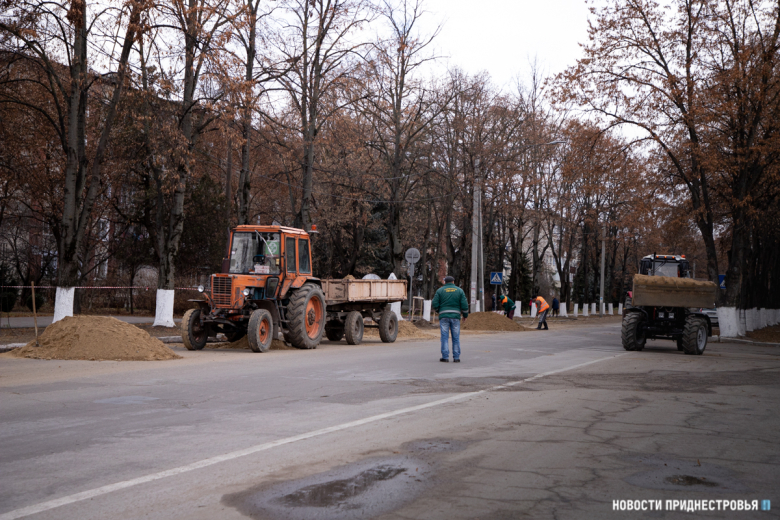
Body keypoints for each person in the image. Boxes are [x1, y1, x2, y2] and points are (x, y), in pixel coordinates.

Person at [432, 276, 469, 363]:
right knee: (455, 337)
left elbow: (434, 303)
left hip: (444, 316)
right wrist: (465, 315)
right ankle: (456, 357)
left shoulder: (440, 290)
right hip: (455, 317)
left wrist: (439, 310)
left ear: (445, 282)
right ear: (453, 282)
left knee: (444, 337)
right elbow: (464, 304)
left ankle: (445, 357)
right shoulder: (459, 291)